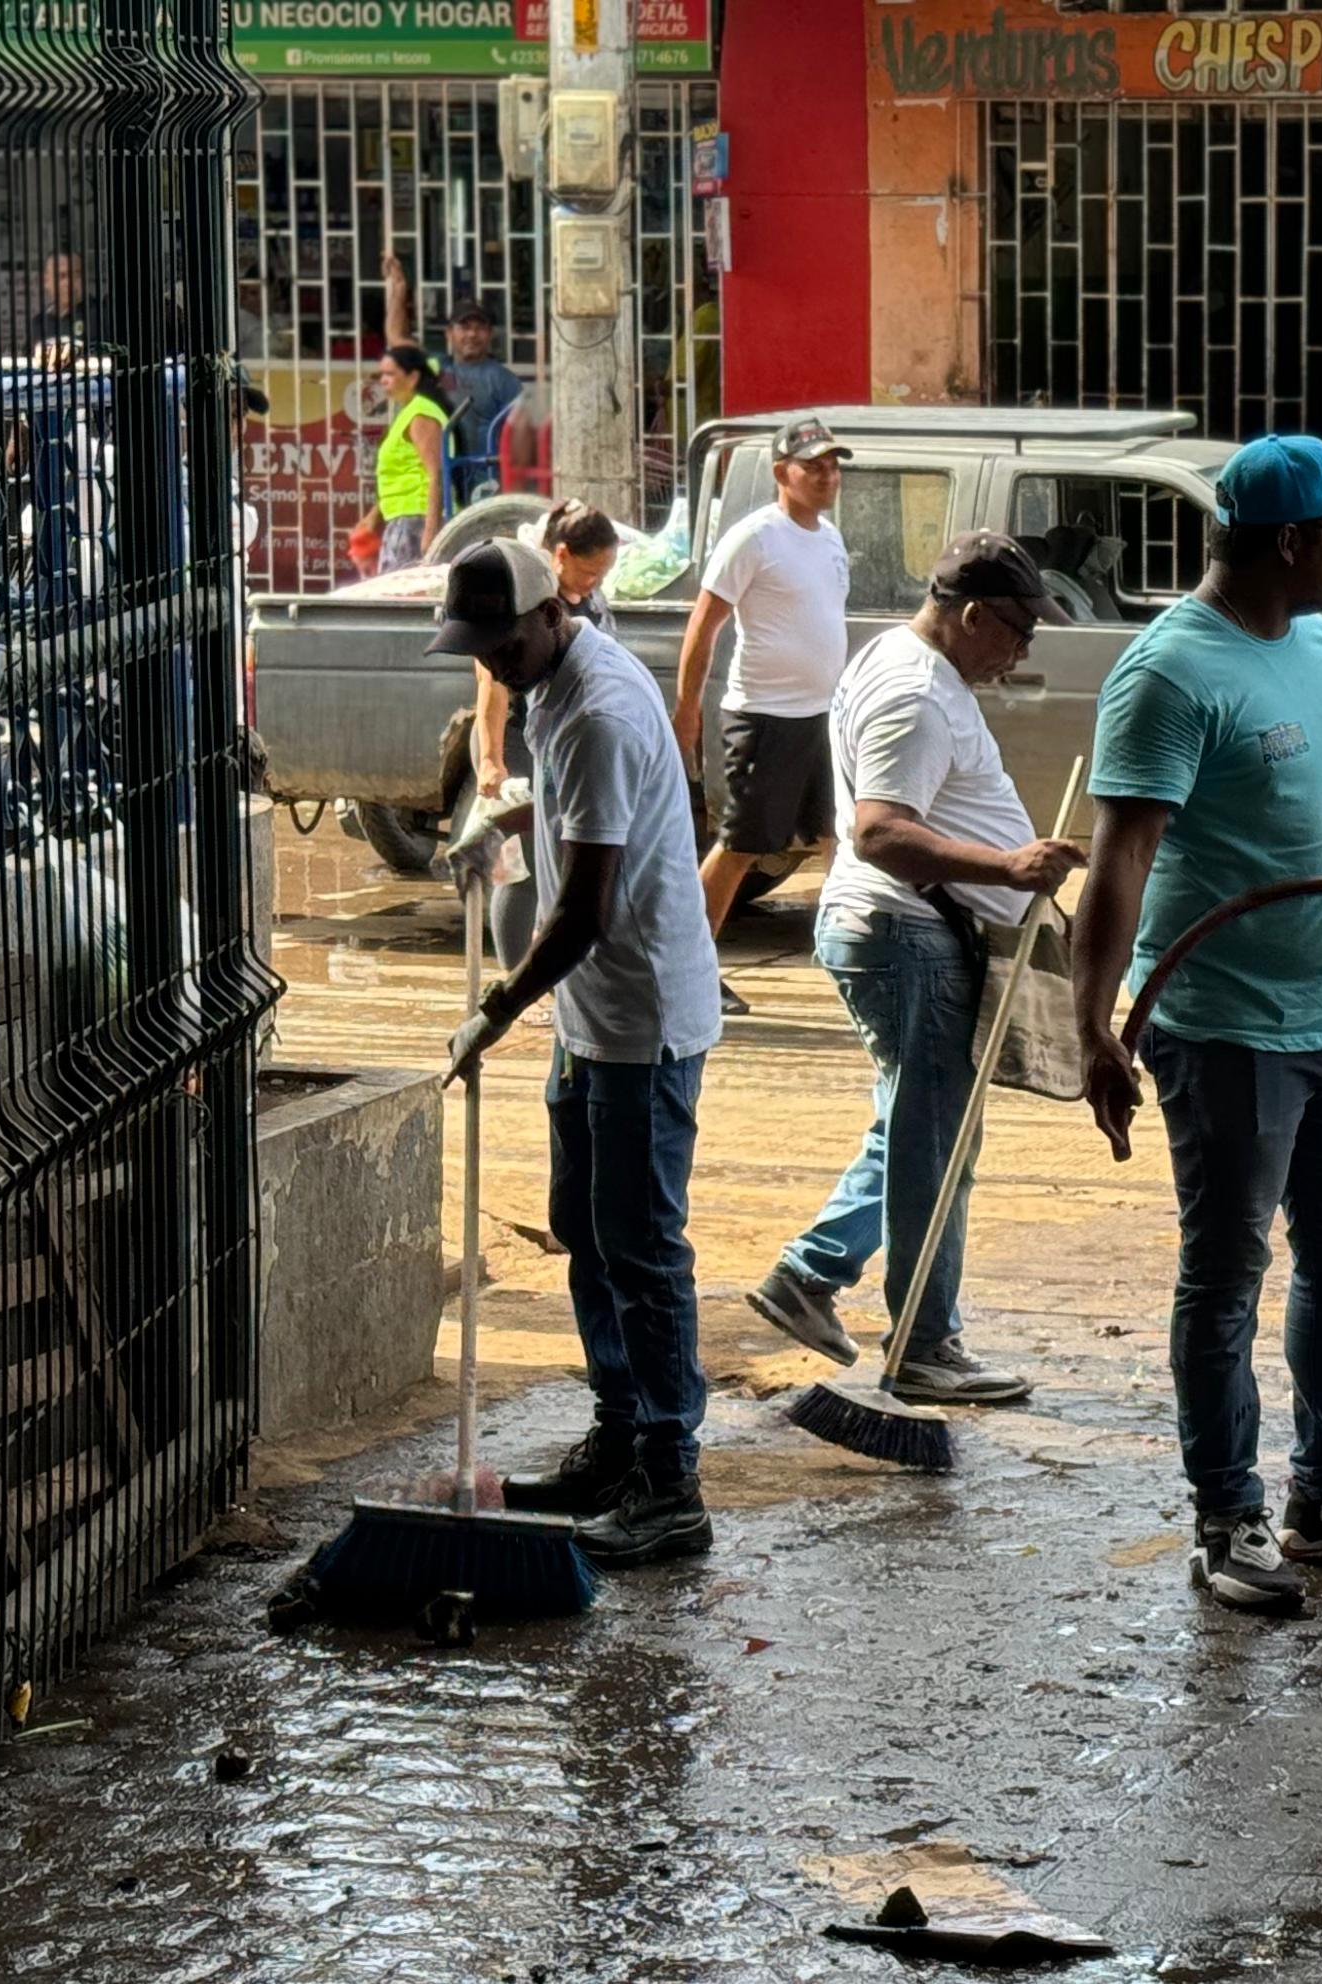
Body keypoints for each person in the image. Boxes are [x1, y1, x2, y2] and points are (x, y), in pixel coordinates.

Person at [1069, 434, 1322, 1617]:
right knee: (1227, 1273)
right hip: (1228, 1028)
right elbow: (1122, 858)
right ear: (1293, 543)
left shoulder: (1319, 640)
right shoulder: (1170, 674)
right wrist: (1094, 1024)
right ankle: (1225, 1516)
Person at [433, 538, 724, 1568]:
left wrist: (499, 1009)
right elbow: (568, 829)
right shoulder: (551, 682)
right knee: (584, 1230)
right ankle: (620, 1433)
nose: (496, 664)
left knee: (641, 1248)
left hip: (639, 1014)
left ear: (551, 610)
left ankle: (668, 1478)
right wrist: (501, 821)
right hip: (588, 1020)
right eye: (483, 652)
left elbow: (590, 909)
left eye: (504, 644)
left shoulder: (598, 709)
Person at [746, 532, 1085, 1406]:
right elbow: (880, 832)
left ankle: (810, 1273)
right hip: (907, 935)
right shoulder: (913, 694)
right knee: (933, 1144)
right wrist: (1007, 870)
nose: (1022, 653)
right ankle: (924, 1343)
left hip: (908, 932)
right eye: (1017, 633)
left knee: (921, 1127)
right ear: (973, 615)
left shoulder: (905, 663)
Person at [672, 415, 854, 1015]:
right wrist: (687, 713)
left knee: (839, 837)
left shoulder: (830, 537)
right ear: (782, 474)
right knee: (742, 846)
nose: (827, 476)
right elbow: (704, 627)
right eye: (814, 466)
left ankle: (849, 958)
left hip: (824, 717)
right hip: (765, 718)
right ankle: (686, 969)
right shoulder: (753, 538)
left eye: (833, 466)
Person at [474, 499, 623, 972]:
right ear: (559, 555)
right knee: (523, 872)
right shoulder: (523, 601)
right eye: (588, 571)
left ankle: (551, 973)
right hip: (519, 741)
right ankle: (514, 980)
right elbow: (491, 685)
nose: (594, 582)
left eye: (603, 573)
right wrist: (492, 759)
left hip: (566, 744)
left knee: (565, 866)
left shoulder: (589, 600)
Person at [386, 252, 523, 496]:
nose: (472, 335)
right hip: (444, 479)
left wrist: (513, 485)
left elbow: (522, 438)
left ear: (490, 334)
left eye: (480, 328)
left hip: (487, 482)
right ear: (449, 333)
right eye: (465, 327)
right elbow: (397, 340)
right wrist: (399, 290)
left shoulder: (503, 380)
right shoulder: (436, 368)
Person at [359, 344, 447, 574]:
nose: (383, 381)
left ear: (412, 377)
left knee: (400, 602)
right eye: (381, 375)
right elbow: (405, 471)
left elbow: (435, 474)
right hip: (403, 518)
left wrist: (430, 531)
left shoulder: (421, 414)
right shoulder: (408, 412)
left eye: (390, 374)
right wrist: (374, 515)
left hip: (416, 519)